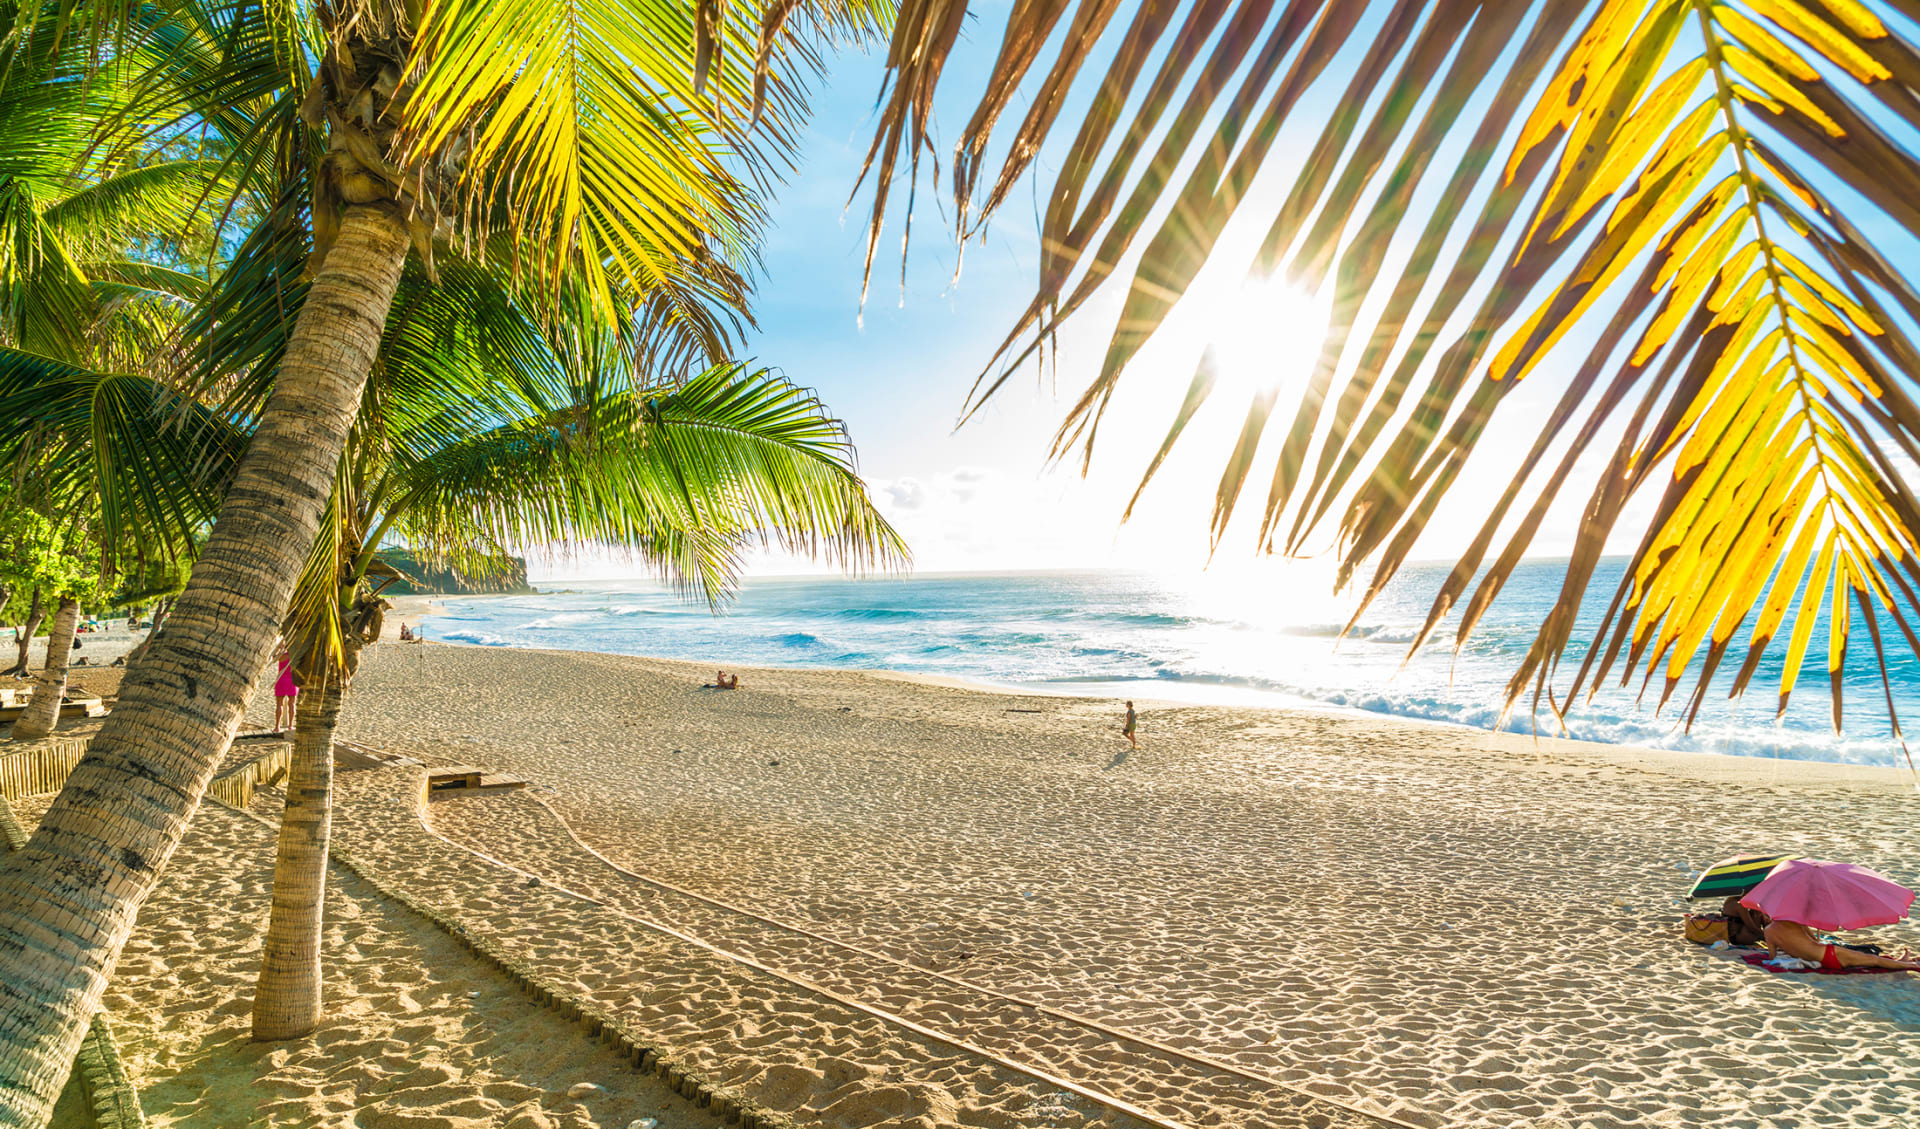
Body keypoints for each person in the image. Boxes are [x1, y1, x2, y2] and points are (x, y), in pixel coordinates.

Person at [1763, 918, 1920, 972]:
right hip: (1829, 952)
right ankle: (1912, 965)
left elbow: (1773, 957)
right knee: (1873, 960)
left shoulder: (1768, 932)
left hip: (1825, 959)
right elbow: (1816, 942)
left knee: (1871, 960)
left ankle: (1902, 962)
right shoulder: (1795, 922)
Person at [273, 645, 298, 733]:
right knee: (291, 704)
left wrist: (278, 648)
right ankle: (290, 725)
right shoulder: (295, 654)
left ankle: (277, 726)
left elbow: (273, 658)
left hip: (281, 680)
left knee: (279, 704)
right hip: (292, 680)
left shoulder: (282, 655)